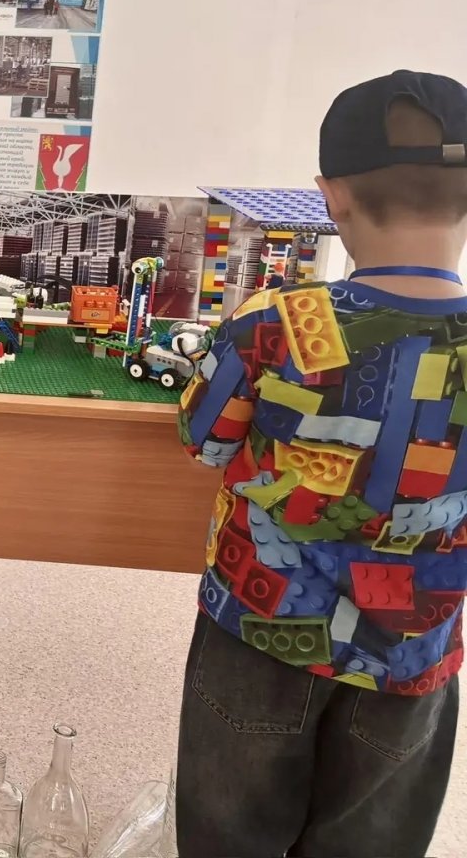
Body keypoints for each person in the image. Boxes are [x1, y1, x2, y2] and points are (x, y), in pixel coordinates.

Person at [174, 70, 467, 857]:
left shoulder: (275, 324)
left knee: (228, 836)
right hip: (413, 653)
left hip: (261, 634)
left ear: (331, 197)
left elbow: (204, 440)